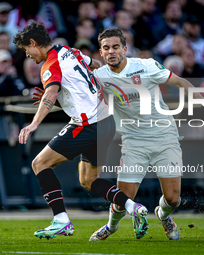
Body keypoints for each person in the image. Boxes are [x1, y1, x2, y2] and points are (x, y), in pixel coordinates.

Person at [13, 21, 149, 240]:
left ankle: (61, 221)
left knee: (39, 164)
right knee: (89, 180)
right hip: (107, 122)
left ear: (33, 43)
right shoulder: (70, 52)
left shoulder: (50, 64)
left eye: (26, 50)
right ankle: (134, 208)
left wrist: (34, 123)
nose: (27, 55)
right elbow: (94, 65)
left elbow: (51, 93)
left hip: (87, 125)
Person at [89, 28, 204, 241]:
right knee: (124, 198)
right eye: (106, 48)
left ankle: (163, 215)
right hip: (133, 141)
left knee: (173, 198)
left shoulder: (146, 65)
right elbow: (76, 94)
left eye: (115, 47)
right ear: (101, 53)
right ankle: (111, 226)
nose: (111, 51)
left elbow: (178, 82)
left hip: (165, 136)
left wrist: (200, 97)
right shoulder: (99, 77)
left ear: (125, 48)